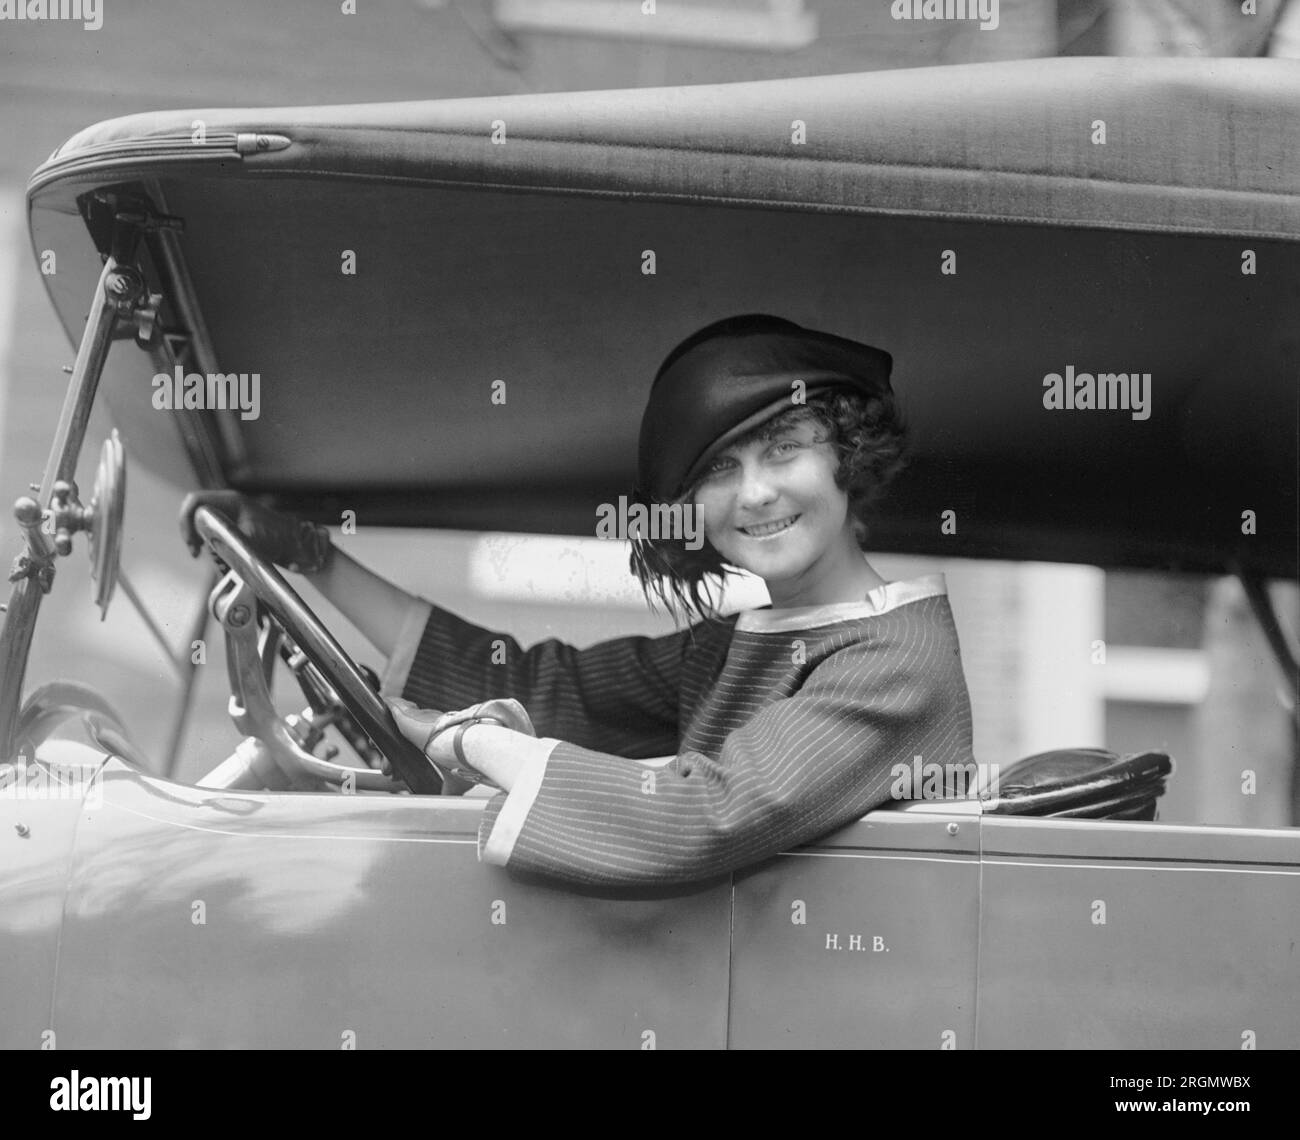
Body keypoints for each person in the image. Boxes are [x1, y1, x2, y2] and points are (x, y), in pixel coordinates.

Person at [182, 314, 975, 888]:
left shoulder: (896, 662)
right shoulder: (745, 640)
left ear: (849, 453)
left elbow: (696, 819)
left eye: (785, 448)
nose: (756, 493)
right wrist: (315, 558)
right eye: (718, 470)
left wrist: (457, 743)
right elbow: (547, 691)